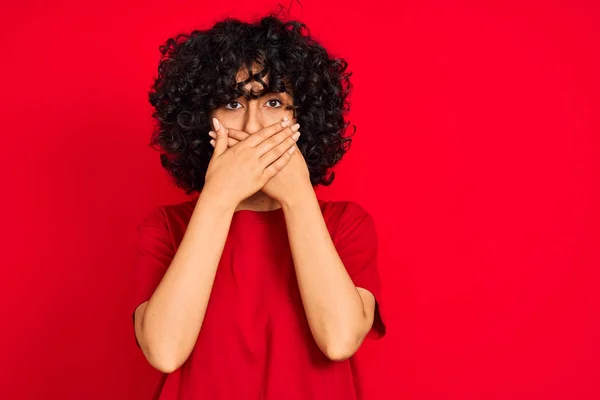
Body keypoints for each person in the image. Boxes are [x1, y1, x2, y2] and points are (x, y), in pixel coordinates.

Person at [132, 11, 386, 400]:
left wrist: (298, 195)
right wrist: (218, 197)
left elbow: (339, 340)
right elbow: (165, 351)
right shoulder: (166, 228)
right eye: (232, 105)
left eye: (273, 102)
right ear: (204, 119)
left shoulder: (345, 224)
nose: (253, 127)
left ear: (302, 116)